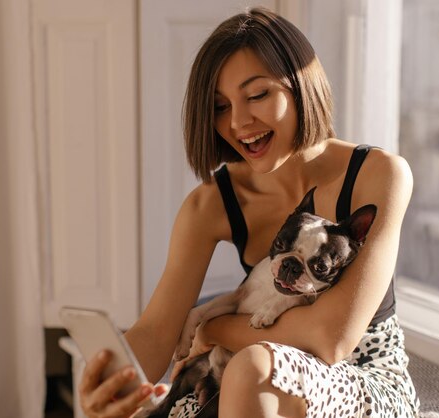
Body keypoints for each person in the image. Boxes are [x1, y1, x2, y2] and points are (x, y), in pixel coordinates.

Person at [79, 7, 420, 418]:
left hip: (365, 380)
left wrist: (210, 327)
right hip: (258, 377)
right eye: (220, 106)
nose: (239, 122)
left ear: (300, 87)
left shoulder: (380, 175)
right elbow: (156, 330)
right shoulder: (211, 203)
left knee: (251, 367)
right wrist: (108, 384)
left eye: (257, 95)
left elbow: (330, 339)